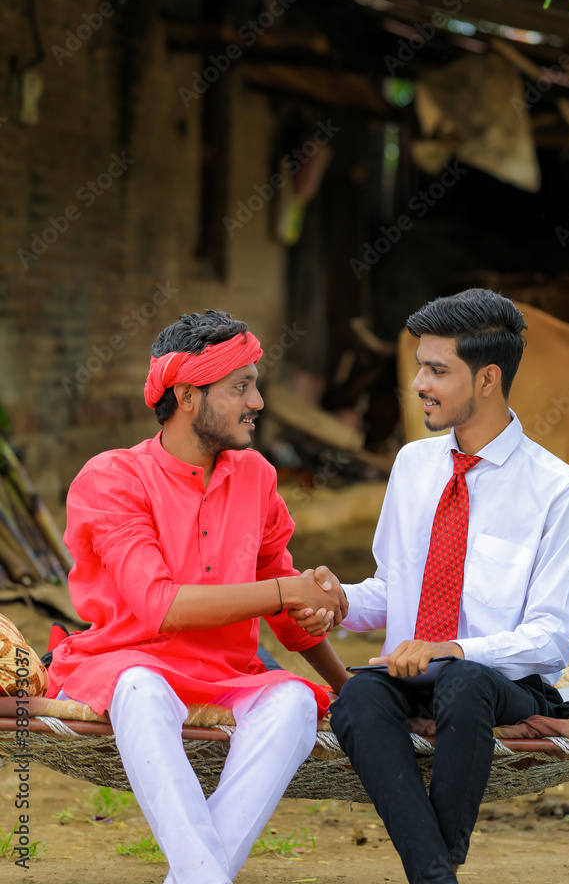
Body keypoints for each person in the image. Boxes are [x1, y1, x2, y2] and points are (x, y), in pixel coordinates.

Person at [292, 289, 569, 884]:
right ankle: (437, 873)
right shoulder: (413, 465)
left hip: (501, 685)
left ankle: (434, 869)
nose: (419, 384)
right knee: (356, 698)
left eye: (437, 370)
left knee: (461, 683)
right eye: (419, 367)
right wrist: (342, 602)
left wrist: (452, 650)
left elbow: (551, 638)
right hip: (410, 678)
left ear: (486, 379)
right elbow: (393, 588)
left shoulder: (559, 489)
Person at [47, 309, 349, 884]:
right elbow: (162, 606)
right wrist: (289, 588)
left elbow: (286, 616)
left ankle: (195, 877)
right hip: (126, 665)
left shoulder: (257, 476)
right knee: (141, 687)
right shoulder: (111, 479)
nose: (257, 401)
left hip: (230, 674)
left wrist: (346, 688)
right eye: (241, 387)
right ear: (187, 396)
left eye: (255, 385)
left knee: (293, 703)